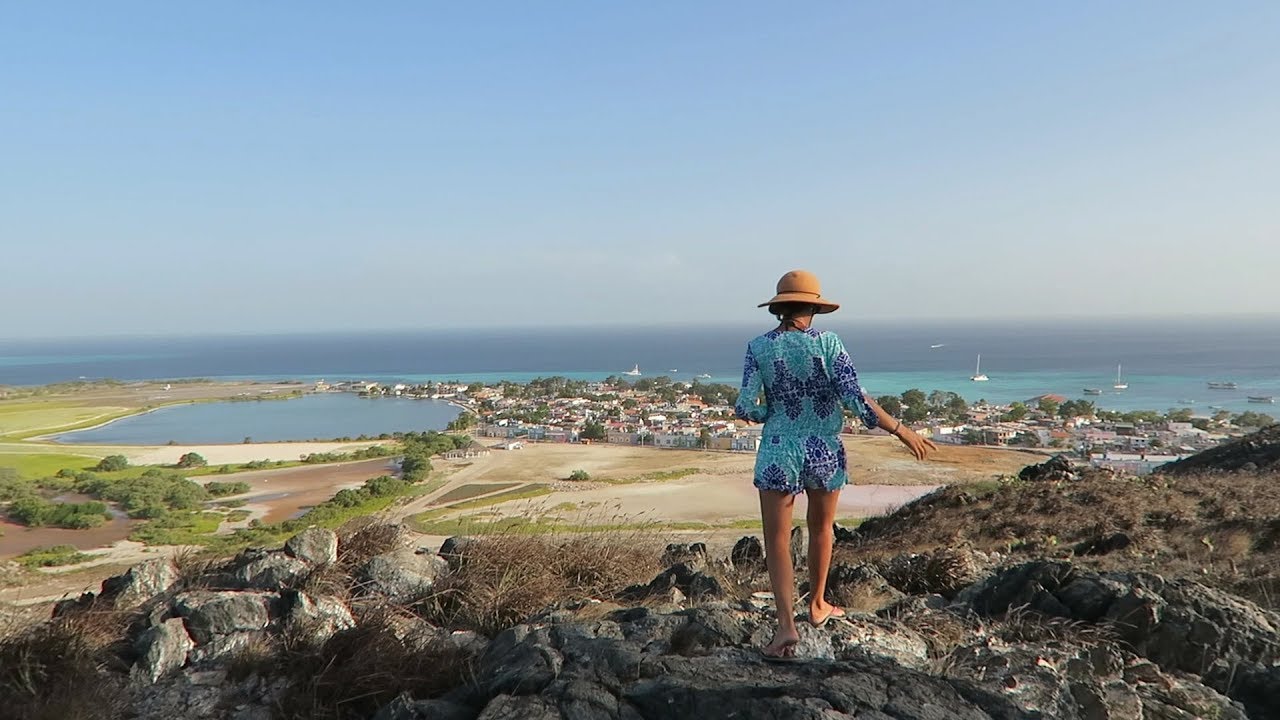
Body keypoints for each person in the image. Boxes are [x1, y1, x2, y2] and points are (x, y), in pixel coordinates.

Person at [734, 269, 936, 662]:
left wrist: (769, 414)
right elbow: (856, 398)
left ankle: (785, 626)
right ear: (813, 308)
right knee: (822, 528)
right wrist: (901, 430)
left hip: (778, 448)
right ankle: (818, 604)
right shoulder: (828, 343)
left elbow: (745, 406)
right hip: (824, 448)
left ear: (779, 308)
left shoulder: (758, 347)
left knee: (777, 540)